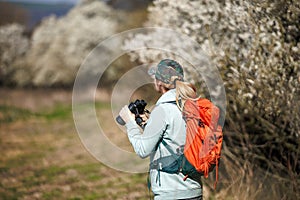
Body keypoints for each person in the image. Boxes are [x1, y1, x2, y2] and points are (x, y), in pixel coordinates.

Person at [119, 59, 203, 200]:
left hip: (171, 193)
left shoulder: (163, 110)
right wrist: (148, 125)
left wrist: (130, 123)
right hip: (194, 190)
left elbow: (142, 150)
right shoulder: (192, 106)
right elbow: (174, 137)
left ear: (159, 83)